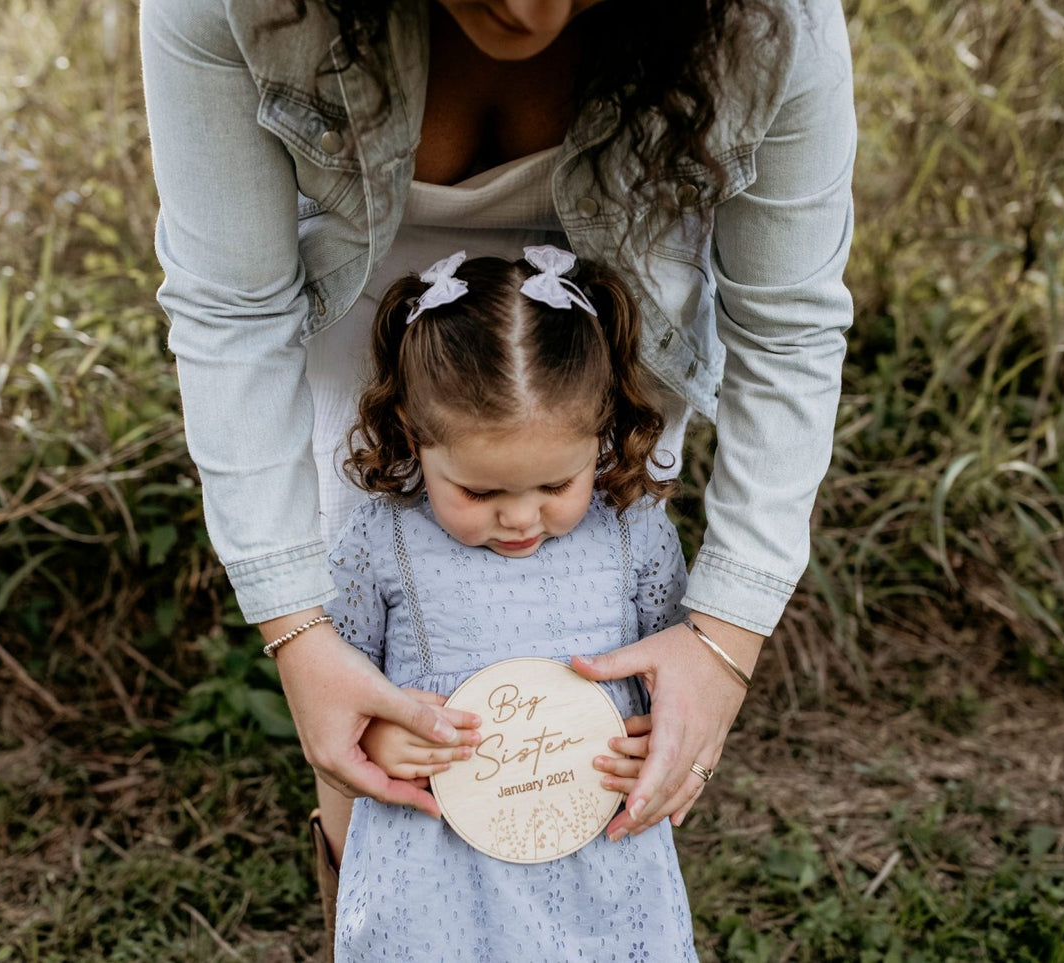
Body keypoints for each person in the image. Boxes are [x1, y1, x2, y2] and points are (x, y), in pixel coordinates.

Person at [140, 0, 855, 944]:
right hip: (365, 355)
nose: (523, 10)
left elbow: (789, 326)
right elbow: (231, 311)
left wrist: (722, 642)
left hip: (590, 372)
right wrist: (300, 637)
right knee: (374, 767)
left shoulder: (769, 21)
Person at [327, 246, 696, 959]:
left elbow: (675, 663)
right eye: (481, 492)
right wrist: (374, 737)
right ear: (411, 433)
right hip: (436, 861)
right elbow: (339, 677)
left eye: (556, 486)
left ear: (600, 434)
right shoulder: (383, 538)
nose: (521, 519)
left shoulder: (632, 530)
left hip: (599, 853)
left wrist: (658, 737)